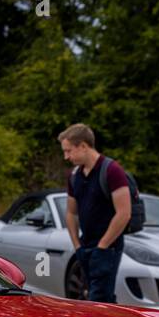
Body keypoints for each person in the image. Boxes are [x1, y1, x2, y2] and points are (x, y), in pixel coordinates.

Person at [58, 123, 131, 303]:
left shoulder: (112, 170)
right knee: (95, 298)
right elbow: (71, 213)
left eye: (68, 151)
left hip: (108, 247)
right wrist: (77, 246)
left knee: (98, 300)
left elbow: (124, 213)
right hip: (85, 245)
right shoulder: (75, 175)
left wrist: (103, 246)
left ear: (83, 146)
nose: (66, 157)